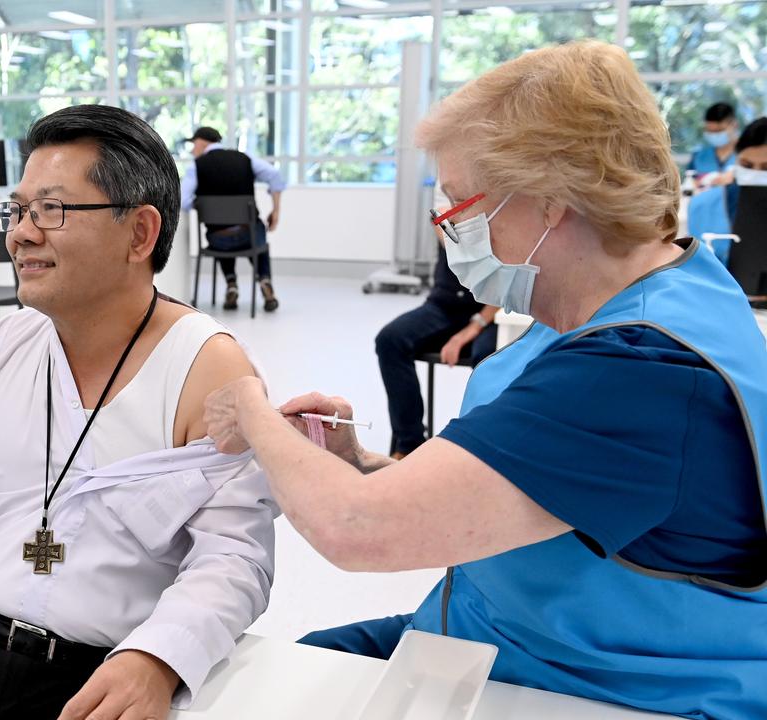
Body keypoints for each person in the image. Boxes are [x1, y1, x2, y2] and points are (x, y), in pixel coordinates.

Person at [204, 41, 767, 719]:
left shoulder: (637, 371)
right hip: (511, 628)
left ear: (551, 201)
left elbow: (357, 530)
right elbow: (532, 489)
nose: (451, 232)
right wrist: (363, 464)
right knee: (286, 666)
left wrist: (251, 408)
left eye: (460, 206)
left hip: (595, 684)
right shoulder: (628, 301)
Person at [0, 105, 276, 720]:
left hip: (106, 677)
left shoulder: (208, 369)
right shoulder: (7, 344)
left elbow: (235, 557)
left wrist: (159, 659)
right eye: (17, 209)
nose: (19, 233)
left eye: (51, 210)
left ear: (140, 234)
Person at [375, 239, 498, 457]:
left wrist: (469, 331)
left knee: (489, 359)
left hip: (491, 313)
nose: (454, 203)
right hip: (443, 307)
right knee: (390, 340)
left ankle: (481, 450)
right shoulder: (443, 216)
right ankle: (409, 443)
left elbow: (507, 285)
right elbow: (454, 236)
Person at [180, 127, 285, 312]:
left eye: (193, 144)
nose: (192, 150)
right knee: (257, 234)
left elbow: (182, 199)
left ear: (202, 142)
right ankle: (265, 281)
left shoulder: (197, 166)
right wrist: (276, 211)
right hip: (250, 236)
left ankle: (231, 284)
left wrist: (201, 204)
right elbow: (275, 176)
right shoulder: (245, 159)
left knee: (219, 232)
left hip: (219, 240)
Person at [685, 116, 767, 265]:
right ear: (736, 159)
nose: (755, 173)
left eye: (765, 168)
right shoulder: (702, 205)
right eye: (747, 165)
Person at [688, 102, 739, 187]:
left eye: (719, 130)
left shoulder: (748, 154)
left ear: (734, 125)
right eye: (709, 131)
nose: (714, 135)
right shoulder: (699, 157)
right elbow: (690, 183)